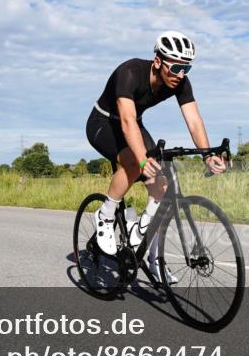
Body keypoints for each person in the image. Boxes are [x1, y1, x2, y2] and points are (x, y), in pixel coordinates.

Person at [85, 31, 227, 284]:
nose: (181, 74)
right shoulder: (129, 71)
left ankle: (151, 254)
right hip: (104, 123)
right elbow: (127, 121)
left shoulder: (181, 82)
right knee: (133, 163)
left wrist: (207, 155)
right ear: (158, 61)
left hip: (133, 125)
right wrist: (142, 160)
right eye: (175, 67)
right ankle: (105, 216)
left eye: (187, 67)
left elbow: (194, 121)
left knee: (162, 183)